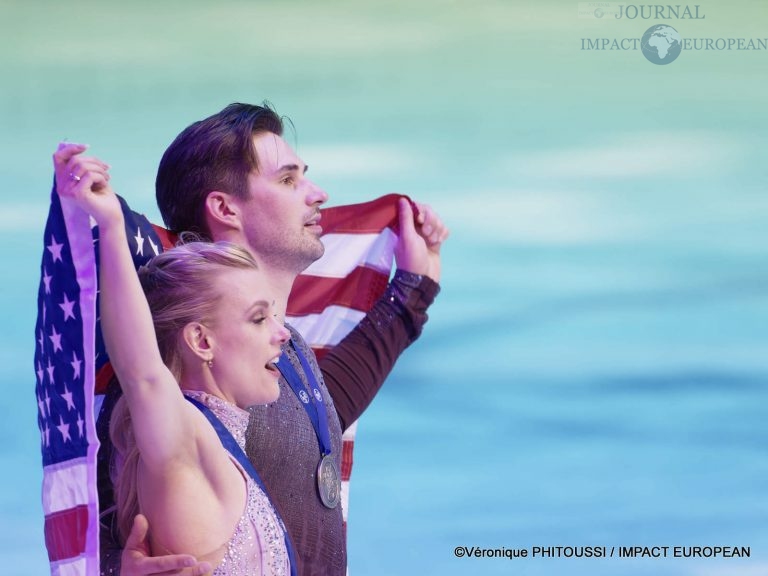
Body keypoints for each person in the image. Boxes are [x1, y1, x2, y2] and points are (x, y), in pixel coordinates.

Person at [98, 103, 449, 576]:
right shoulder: (180, 357)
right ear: (224, 208)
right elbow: (111, 515)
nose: (317, 195)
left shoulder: (285, 348)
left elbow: (320, 413)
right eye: (289, 180)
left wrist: (412, 292)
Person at [53, 142, 295, 575]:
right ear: (201, 341)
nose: (283, 334)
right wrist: (110, 225)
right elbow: (142, 373)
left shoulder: (221, 447)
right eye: (259, 318)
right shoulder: (186, 433)